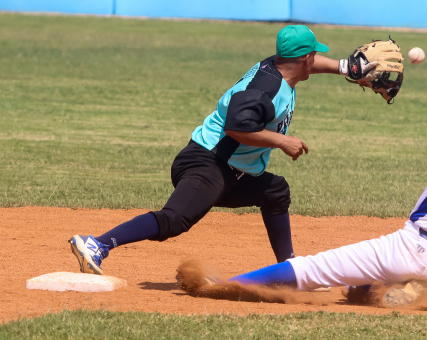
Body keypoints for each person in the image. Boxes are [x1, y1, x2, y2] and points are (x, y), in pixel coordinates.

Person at [216, 68, 427, 306]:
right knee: (359, 291)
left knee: (315, 267)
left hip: (412, 249)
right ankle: (414, 288)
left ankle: (225, 286)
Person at [69, 25, 376, 275]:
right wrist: (282, 140)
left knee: (275, 191)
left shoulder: (278, 65)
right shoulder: (264, 89)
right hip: (207, 162)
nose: (316, 59)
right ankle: (97, 243)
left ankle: (288, 269)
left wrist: (346, 67)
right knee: (175, 220)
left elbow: (308, 62)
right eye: (315, 55)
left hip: (231, 170)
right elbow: (236, 127)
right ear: (306, 58)